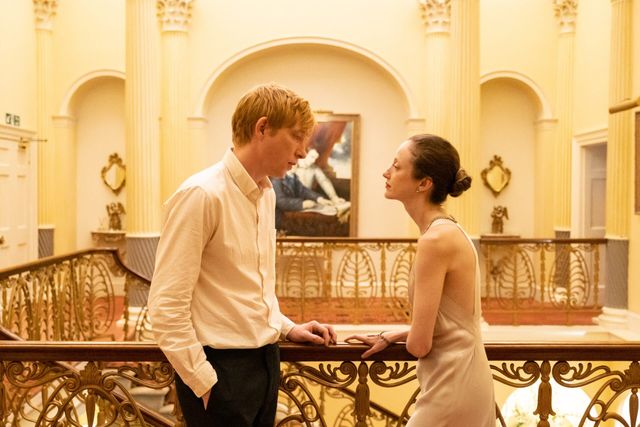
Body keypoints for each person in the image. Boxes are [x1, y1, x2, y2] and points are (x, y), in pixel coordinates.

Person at [148, 83, 337, 427]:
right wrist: (203, 381)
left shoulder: (267, 194)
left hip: (266, 361)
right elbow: (165, 307)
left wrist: (286, 327)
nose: (302, 151)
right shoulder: (201, 194)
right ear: (262, 128)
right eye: (297, 137)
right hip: (221, 370)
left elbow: (249, 287)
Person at [346, 134, 495, 426]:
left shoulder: (435, 240)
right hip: (463, 378)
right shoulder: (448, 230)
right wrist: (396, 334)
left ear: (424, 183)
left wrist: (407, 335)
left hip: (452, 385)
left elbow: (420, 346)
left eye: (396, 166)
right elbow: (447, 326)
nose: (386, 173)